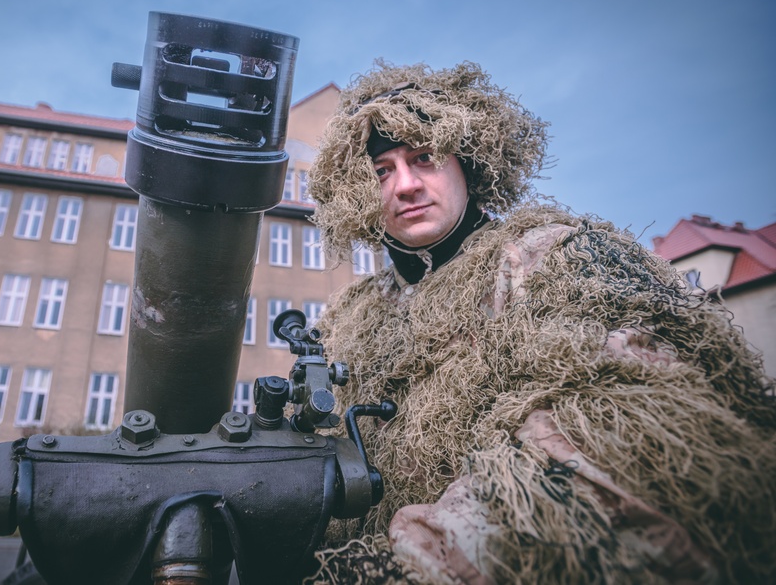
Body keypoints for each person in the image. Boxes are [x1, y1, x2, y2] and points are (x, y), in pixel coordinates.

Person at [303, 61, 776, 583]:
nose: (406, 185)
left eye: (424, 158)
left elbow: (622, 430)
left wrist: (416, 563)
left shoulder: (553, 259)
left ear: (469, 164)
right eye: (382, 170)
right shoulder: (349, 315)